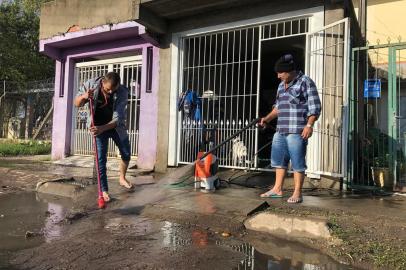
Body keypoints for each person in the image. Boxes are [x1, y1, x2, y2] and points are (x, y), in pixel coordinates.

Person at [259, 54, 321, 203]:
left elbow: (315, 107)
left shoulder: (305, 82)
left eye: (281, 73)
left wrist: (309, 125)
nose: (278, 76)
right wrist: (266, 119)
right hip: (280, 131)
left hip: (296, 131)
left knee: (297, 162)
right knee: (279, 161)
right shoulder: (281, 86)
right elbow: (278, 108)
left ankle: (297, 193)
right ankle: (277, 189)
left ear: (290, 71)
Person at [74, 72, 133, 202]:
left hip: (115, 127)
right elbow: (76, 103)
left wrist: (103, 128)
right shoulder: (91, 85)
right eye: (108, 89)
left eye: (114, 89)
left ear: (118, 85)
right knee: (101, 160)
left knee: (126, 153)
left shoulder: (122, 92)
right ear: (102, 83)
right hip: (98, 127)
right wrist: (84, 96)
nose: (111, 92)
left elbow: (118, 119)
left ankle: (122, 178)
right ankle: (104, 190)